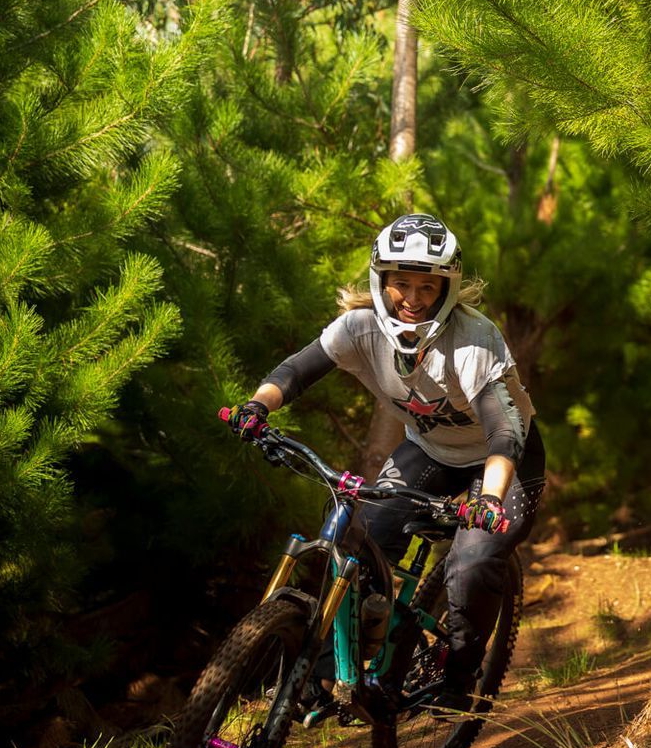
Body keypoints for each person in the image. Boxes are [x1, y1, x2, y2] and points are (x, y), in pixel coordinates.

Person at [224, 213, 546, 714]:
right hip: (430, 450)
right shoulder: (358, 328)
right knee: (360, 540)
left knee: (472, 561)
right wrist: (256, 407)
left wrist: (488, 498)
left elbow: (504, 433)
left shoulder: (475, 340)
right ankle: (332, 674)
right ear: (381, 281)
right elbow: (295, 372)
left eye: (427, 286)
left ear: (447, 289)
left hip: (505, 462)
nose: (412, 298)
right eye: (401, 283)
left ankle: (461, 677)